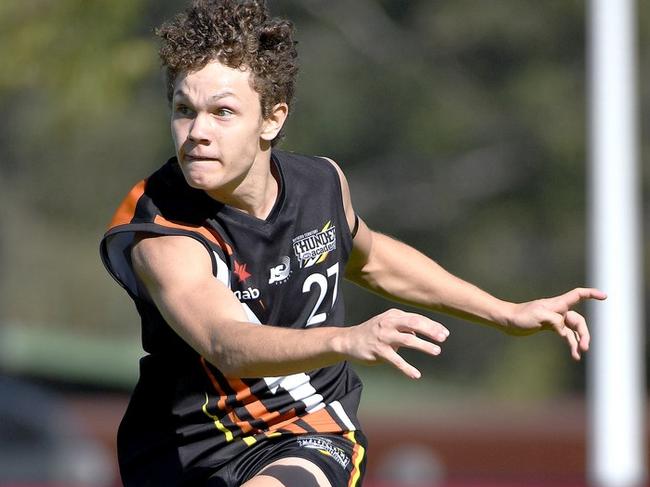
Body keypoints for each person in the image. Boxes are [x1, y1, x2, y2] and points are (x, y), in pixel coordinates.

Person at [100, 1, 606, 485]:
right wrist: (346, 338)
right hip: (182, 453)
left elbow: (375, 260)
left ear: (272, 119)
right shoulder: (159, 228)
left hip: (307, 427)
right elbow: (224, 343)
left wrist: (504, 312)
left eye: (223, 112)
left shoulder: (321, 184)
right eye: (184, 109)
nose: (197, 132)